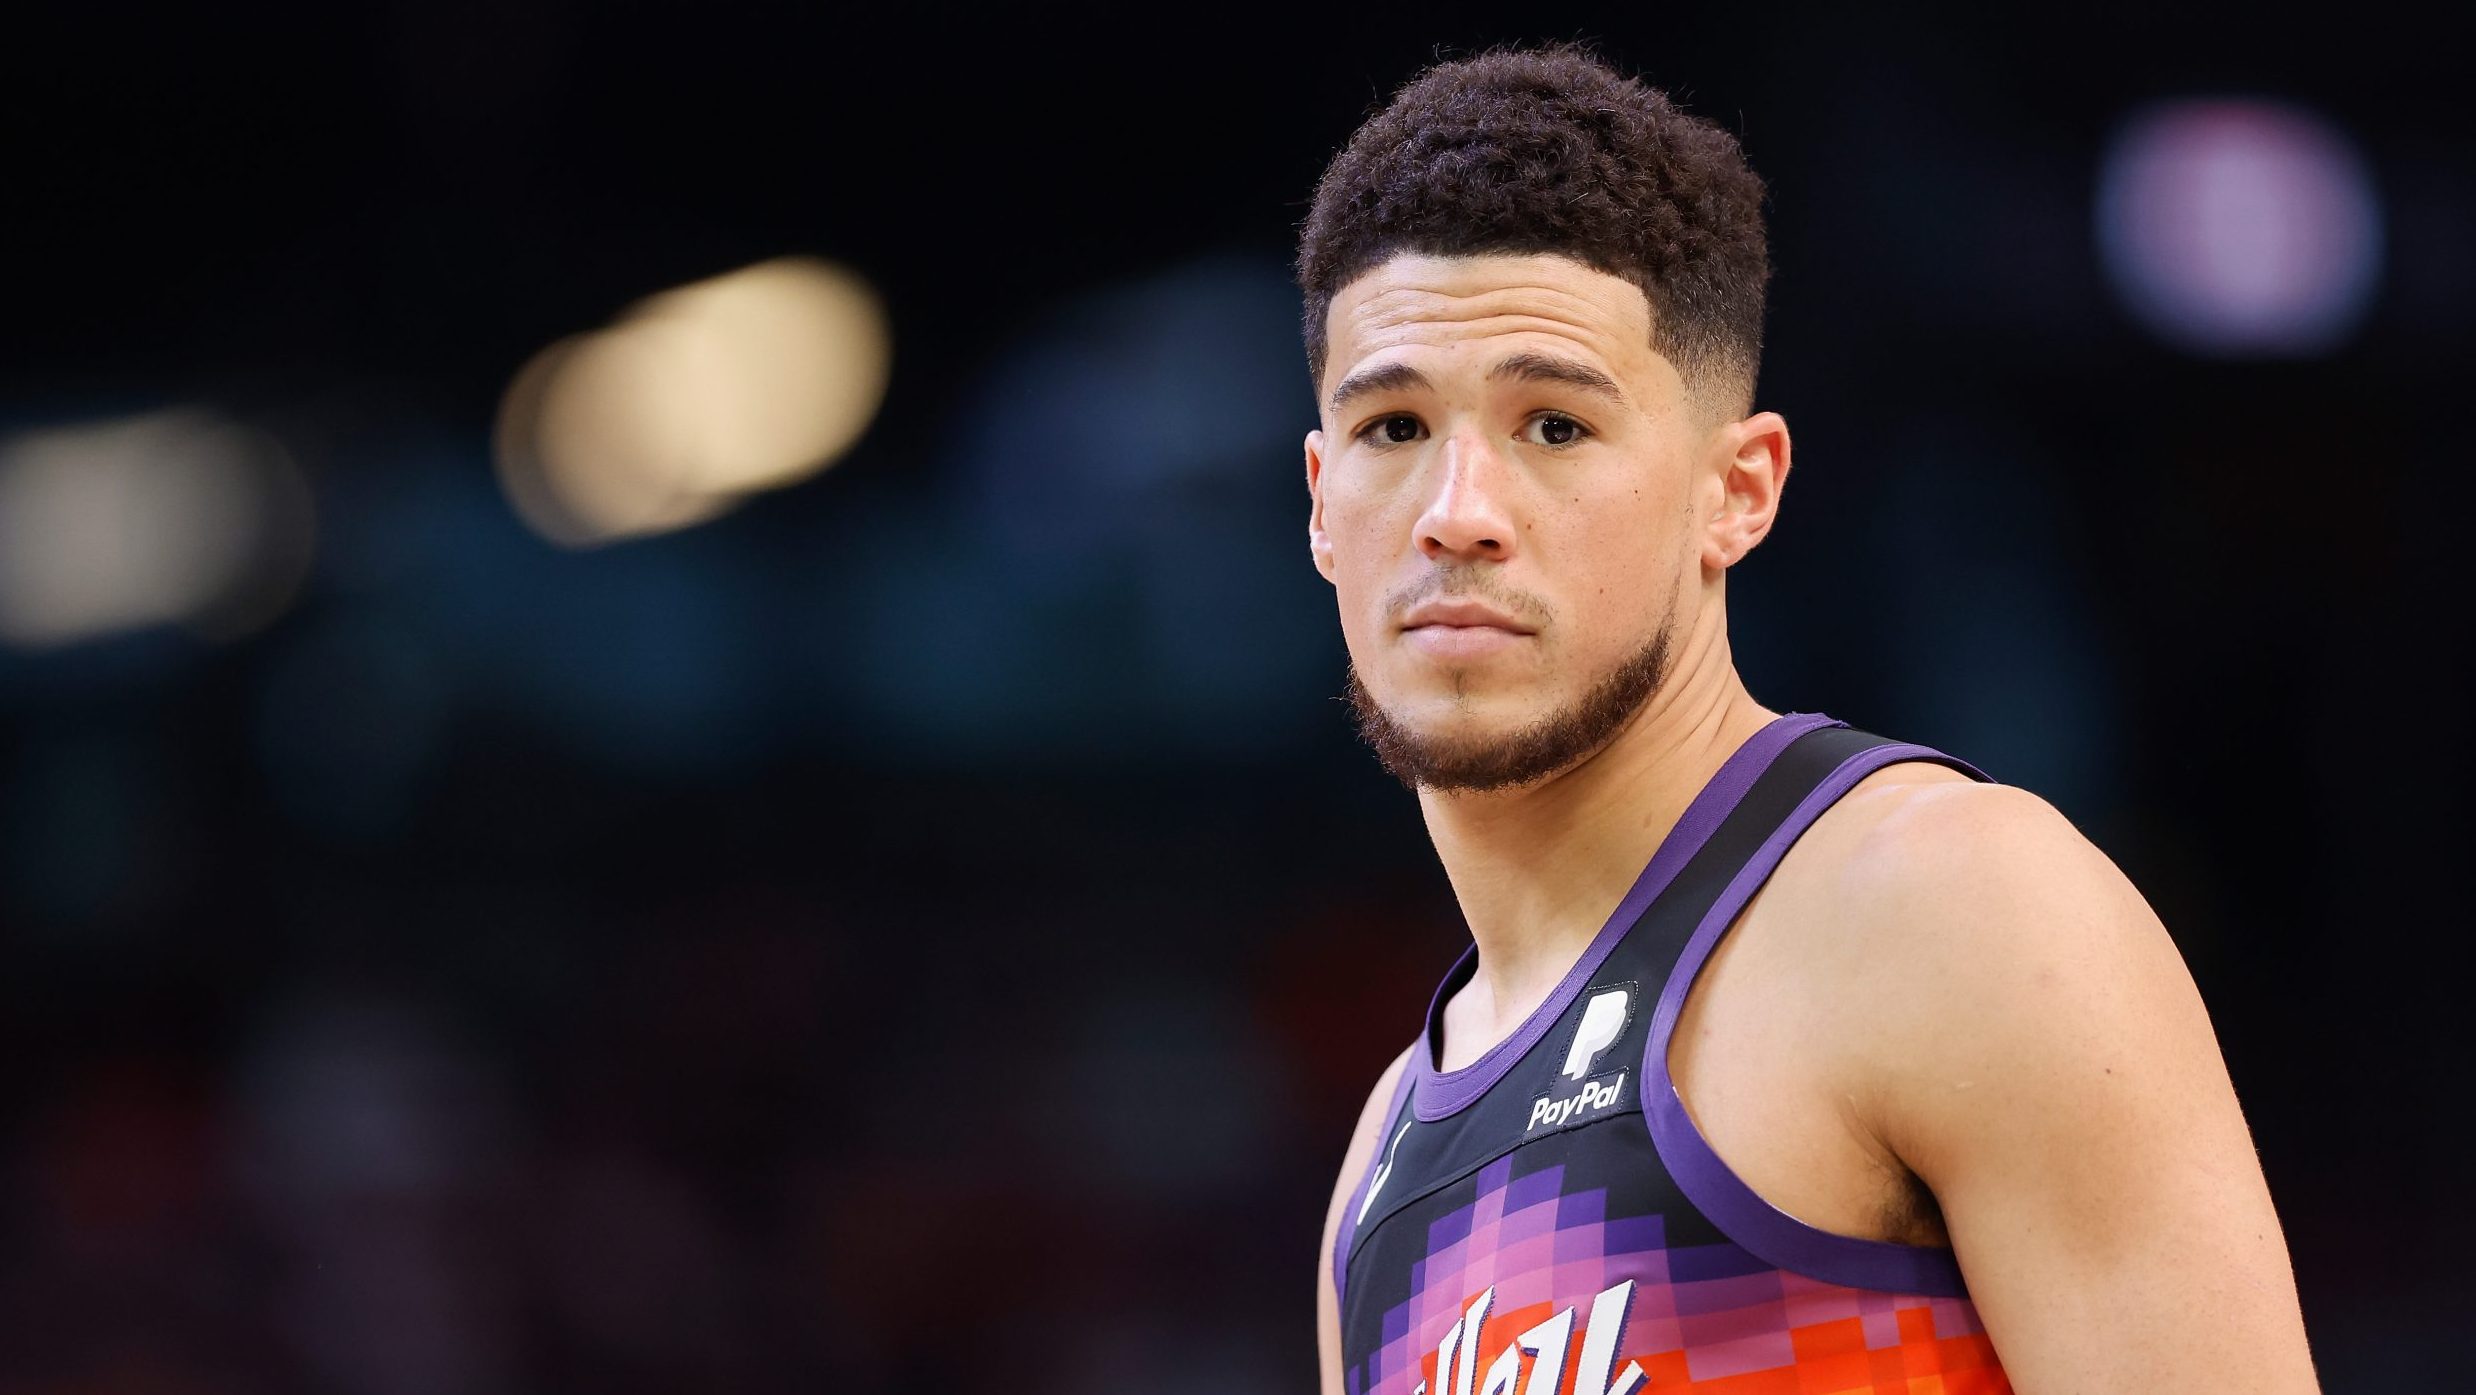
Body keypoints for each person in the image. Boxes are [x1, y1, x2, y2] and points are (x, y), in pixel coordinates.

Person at [1300, 45, 2318, 1395]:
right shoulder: (1382, 1172)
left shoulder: (1949, 906)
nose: (1457, 510)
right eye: (1393, 428)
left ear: (1740, 490)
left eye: (1553, 425)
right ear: (1320, 502)